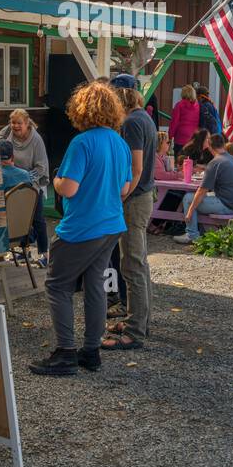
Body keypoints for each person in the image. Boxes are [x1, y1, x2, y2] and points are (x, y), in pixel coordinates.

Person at [30, 82, 131, 377]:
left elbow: (69, 188)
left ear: (80, 110)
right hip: (111, 225)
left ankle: (65, 352)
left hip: (81, 227)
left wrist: (58, 181)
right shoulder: (119, 142)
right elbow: (124, 188)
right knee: (95, 287)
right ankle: (91, 351)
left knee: (57, 285)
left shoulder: (82, 143)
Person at [103, 75, 155, 352]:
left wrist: (120, 195)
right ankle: (141, 321)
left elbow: (135, 169)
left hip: (134, 200)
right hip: (142, 197)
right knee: (140, 263)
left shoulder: (134, 122)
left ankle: (135, 331)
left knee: (132, 265)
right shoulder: (144, 118)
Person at [173, 133, 233, 244]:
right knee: (199, 199)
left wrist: (189, 211)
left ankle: (192, 235)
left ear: (209, 146)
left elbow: (202, 190)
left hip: (230, 205)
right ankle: (206, 230)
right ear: (223, 144)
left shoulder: (215, 162)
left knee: (188, 198)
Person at [0, 109, 50, 265]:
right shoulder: (9, 131)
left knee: (37, 220)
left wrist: (25, 177)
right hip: (12, 178)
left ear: (27, 124)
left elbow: (41, 168)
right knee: (19, 217)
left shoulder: (36, 140)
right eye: (13, 122)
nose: (15, 126)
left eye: (19, 123)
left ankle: (44, 255)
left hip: (32, 182)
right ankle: (24, 250)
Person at [168, 85, 201, 152]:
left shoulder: (179, 105)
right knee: (191, 160)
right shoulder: (198, 106)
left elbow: (174, 122)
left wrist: (170, 136)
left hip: (181, 137)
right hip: (193, 137)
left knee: (179, 159)